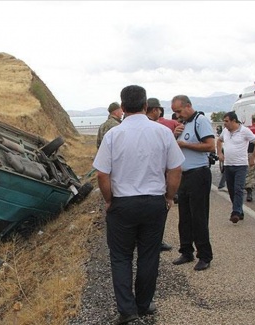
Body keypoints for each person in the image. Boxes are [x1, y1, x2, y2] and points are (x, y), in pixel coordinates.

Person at [93, 85, 183, 324]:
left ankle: (127, 310)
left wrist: (109, 200)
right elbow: (175, 168)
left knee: (121, 257)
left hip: (122, 203)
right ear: (145, 106)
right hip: (154, 202)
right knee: (149, 254)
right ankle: (144, 304)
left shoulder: (113, 135)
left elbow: (102, 174)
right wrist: (169, 197)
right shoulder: (163, 133)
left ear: (122, 108)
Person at [171, 95, 215, 271]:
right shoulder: (184, 125)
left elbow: (210, 146)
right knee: (185, 217)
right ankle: (186, 250)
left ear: (188, 106)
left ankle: (204, 255)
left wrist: (185, 145)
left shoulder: (200, 121)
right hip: (184, 175)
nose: (178, 115)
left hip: (199, 174)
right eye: (175, 112)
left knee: (198, 217)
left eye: (180, 111)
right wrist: (175, 137)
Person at [146, 98, 181, 252]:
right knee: (155, 220)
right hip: (154, 182)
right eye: (159, 110)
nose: (160, 113)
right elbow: (175, 167)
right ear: (154, 110)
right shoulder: (158, 129)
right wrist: (170, 196)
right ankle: (155, 242)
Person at [217, 111, 255, 223]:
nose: (225, 124)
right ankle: (239, 211)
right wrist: (219, 153)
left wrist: (252, 157)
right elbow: (219, 140)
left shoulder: (244, 131)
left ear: (233, 121)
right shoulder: (225, 131)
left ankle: (235, 212)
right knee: (231, 190)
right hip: (228, 165)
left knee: (238, 188)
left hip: (240, 165)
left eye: (227, 121)